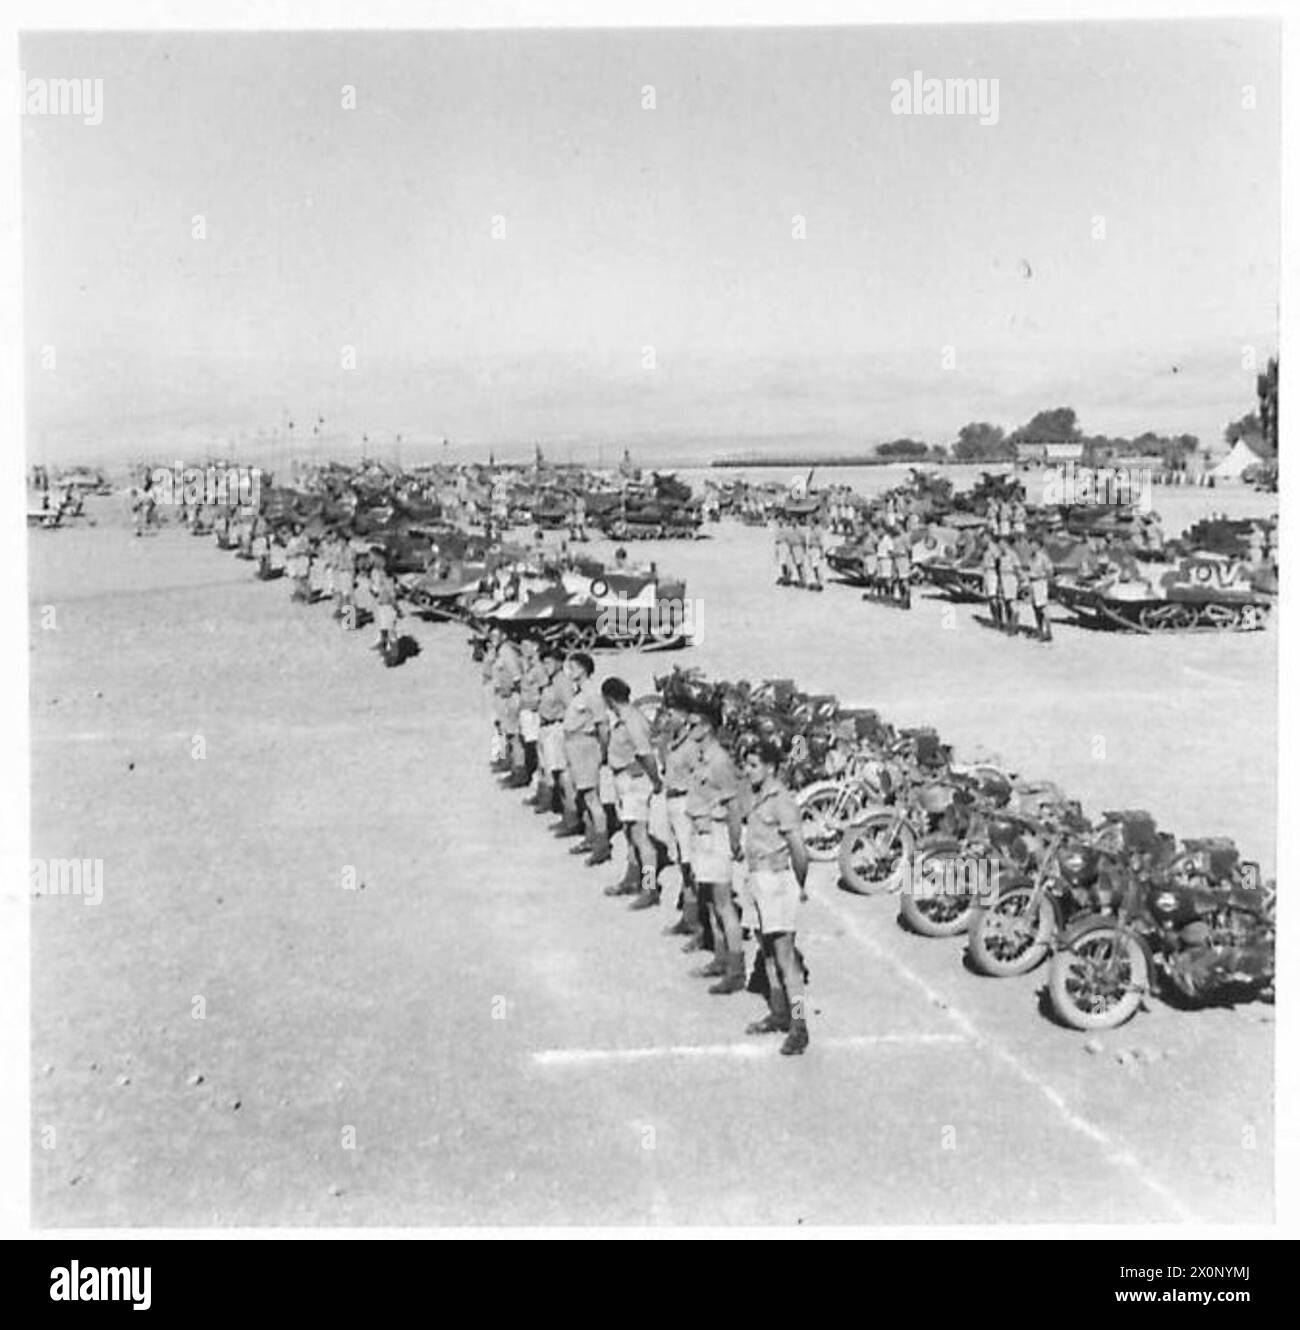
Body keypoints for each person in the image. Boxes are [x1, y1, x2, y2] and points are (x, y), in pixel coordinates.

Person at [740, 738, 811, 1055]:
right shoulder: (756, 796)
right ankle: (780, 1012)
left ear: (770, 767)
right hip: (756, 877)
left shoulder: (782, 800)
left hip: (777, 879)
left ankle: (799, 1026)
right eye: (746, 764)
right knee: (767, 952)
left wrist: (799, 884)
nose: (748, 770)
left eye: (754, 765)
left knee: (786, 959)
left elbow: (799, 850)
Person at [684, 696, 746, 996]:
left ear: (708, 727)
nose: (689, 727)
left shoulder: (719, 761)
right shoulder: (701, 755)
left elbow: (734, 806)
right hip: (702, 834)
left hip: (717, 835)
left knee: (723, 903)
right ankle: (721, 957)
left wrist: (735, 843)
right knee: (709, 900)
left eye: (694, 724)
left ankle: (735, 969)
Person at [600, 678, 664, 907]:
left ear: (609, 698)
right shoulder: (627, 718)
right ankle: (632, 878)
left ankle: (649, 887)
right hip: (625, 780)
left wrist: (655, 780)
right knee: (630, 833)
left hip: (634, 781)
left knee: (640, 837)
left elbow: (646, 754)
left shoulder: (632, 721)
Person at [656, 696, 702, 946]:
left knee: (689, 864)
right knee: (681, 863)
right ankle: (688, 914)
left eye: (671, 713)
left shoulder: (692, 745)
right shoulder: (671, 741)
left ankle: (648, 887)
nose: (666, 718)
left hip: (684, 803)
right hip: (671, 800)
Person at [561, 652, 610, 866]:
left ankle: (601, 844)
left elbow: (603, 725)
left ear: (583, 669)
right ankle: (591, 837)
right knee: (583, 794)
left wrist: (603, 752)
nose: (569, 671)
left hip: (585, 746)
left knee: (591, 797)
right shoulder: (579, 692)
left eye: (573, 667)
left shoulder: (592, 694)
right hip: (574, 745)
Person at [536, 643, 574, 821]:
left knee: (562, 773)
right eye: (544, 662)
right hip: (547, 727)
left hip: (556, 728)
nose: (546, 666)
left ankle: (570, 814)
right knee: (551, 770)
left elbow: (570, 708)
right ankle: (557, 805)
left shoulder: (562, 682)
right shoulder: (551, 680)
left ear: (560, 663)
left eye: (550, 662)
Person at [491, 629, 526, 784]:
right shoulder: (498, 651)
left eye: (495, 636)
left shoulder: (507, 652)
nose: (492, 638)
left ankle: (519, 769)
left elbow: (517, 677)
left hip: (510, 697)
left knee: (513, 735)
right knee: (502, 730)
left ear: (504, 636)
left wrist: (511, 691)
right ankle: (505, 760)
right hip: (501, 696)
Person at [516, 636, 548, 802]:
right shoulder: (528, 666)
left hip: (534, 713)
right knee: (529, 747)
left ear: (536, 647)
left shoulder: (538, 669)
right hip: (526, 710)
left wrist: (539, 709)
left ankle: (538, 787)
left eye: (526, 645)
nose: (523, 649)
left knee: (535, 750)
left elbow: (545, 691)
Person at [369, 556, 401, 662]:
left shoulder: (389, 581)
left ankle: (394, 655)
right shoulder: (382, 577)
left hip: (388, 606)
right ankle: (382, 646)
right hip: (382, 604)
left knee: (390, 630)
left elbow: (392, 597)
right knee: (383, 626)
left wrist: (397, 609)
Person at [1026, 537, 1053, 642]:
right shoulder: (1030, 557)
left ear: (1038, 545)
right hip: (1032, 583)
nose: (1031, 546)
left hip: (1040, 582)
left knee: (1043, 608)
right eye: (1030, 544)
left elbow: (1050, 570)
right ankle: (1039, 630)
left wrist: (1046, 580)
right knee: (1035, 608)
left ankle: (1048, 631)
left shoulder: (1043, 557)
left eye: (1034, 544)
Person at [997, 538, 1022, 635]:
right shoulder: (1001, 556)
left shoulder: (1012, 554)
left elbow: (1017, 568)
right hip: (1003, 577)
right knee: (1006, 603)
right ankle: (1010, 625)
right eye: (999, 544)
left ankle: (1014, 624)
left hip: (1011, 577)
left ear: (1006, 544)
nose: (1000, 546)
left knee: (1011, 602)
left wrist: (1020, 580)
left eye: (1002, 544)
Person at [981, 535, 1001, 628]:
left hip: (992, 572)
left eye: (984, 538)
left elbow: (998, 560)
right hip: (987, 572)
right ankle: (994, 619)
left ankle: (998, 620)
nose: (983, 540)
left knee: (993, 598)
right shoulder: (985, 549)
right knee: (990, 597)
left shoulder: (993, 548)